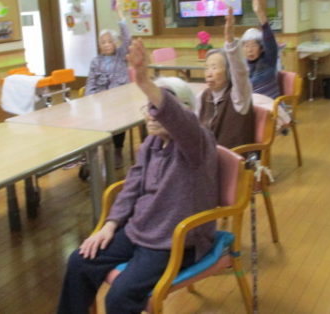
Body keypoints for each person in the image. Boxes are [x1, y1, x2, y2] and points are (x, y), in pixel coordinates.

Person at [57, 38, 219, 314]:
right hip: (140, 230)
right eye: (148, 108)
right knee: (79, 261)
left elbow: (181, 120)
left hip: (177, 240)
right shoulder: (151, 144)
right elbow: (131, 187)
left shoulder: (197, 141)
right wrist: (110, 225)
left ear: (182, 111)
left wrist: (144, 82)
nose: (152, 116)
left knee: (118, 297)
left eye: (159, 109)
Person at [198, 6, 255, 149]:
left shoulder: (238, 96)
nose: (209, 73)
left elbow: (240, 72)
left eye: (214, 67)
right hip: (207, 157)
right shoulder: (203, 97)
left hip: (234, 159)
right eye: (207, 68)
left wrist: (229, 39)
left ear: (228, 71)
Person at [85, 0, 132, 168]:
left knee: (119, 119)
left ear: (115, 43)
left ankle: (117, 149)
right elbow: (90, 83)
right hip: (101, 101)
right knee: (91, 118)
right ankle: (91, 153)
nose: (106, 45)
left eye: (109, 41)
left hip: (120, 99)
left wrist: (119, 13)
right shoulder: (95, 61)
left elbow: (128, 39)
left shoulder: (121, 55)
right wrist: (88, 101)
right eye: (103, 42)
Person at [242, 0, 281, 99]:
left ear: (261, 48)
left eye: (254, 46)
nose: (250, 50)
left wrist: (259, 13)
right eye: (246, 46)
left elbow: (269, 40)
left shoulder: (268, 60)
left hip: (270, 105)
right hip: (251, 106)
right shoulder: (243, 66)